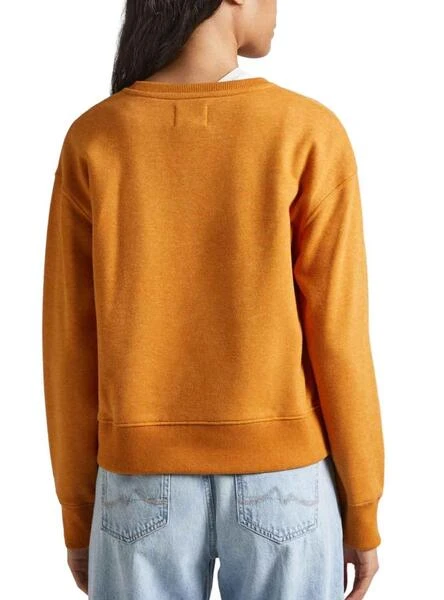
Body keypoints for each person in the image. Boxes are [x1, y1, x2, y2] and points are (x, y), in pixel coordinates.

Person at [42, 1, 385, 599]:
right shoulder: (305, 130)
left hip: (136, 483)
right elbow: (339, 337)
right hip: (287, 484)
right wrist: (361, 506)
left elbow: (69, 346)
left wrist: (78, 513)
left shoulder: (96, 137)